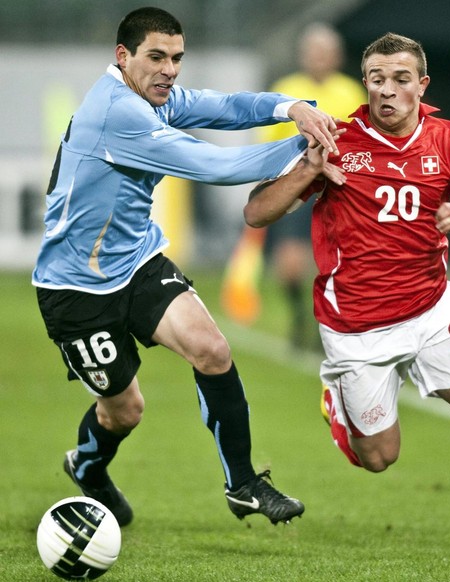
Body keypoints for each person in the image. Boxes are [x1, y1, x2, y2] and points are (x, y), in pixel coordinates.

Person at [243, 32, 450, 560]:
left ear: (422, 84)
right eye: (377, 79)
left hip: (431, 309)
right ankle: (338, 406)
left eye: (400, 79)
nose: (387, 90)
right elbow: (256, 213)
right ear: (365, 82)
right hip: (356, 325)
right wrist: (308, 168)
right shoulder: (336, 138)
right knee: (378, 457)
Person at [32, 6, 341, 528]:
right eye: (156, 57)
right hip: (75, 289)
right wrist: (303, 149)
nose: (170, 70)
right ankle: (87, 464)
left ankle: (242, 483)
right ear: (122, 57)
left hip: (136, 261)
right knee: (124, 410)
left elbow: (225, 107)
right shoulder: (117, 113)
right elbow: (214, 166)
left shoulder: (151, 97)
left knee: (212, 349)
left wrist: (294, 109)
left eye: (176, 58)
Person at [221, 23, 366, 350]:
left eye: (326, 53)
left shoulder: (352, 93)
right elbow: (267, 147)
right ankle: (301, 315)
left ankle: (334, 321)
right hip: (300, 185)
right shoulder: (286, 92)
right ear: (304, 55)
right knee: (290, 265)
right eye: (314, 52)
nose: (320, 59)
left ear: (337, 57)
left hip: (341, 189)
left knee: (346, 264)